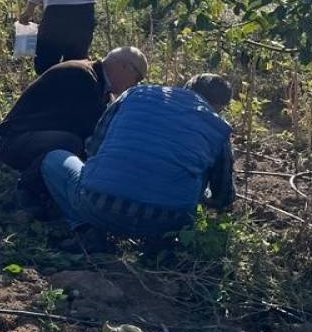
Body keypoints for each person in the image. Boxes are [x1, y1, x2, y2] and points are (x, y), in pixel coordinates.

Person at [39, 74, 235, 247]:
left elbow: (94, 147)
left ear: (185, 88)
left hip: (98, 205)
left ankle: (86, 230)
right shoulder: (218, 127)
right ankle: (159, 243)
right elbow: (223, 194)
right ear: (220, 106)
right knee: (198, 175)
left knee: (54, 159)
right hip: (169, 222)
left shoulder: (136, 94)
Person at [0, 46, 148, 215]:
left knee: (75, 147)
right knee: (72, 144)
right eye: (137, 78)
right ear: (124, 67)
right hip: (15, 141)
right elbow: (91, 132)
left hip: (33, 138)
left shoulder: (96, 80)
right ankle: (27, 190)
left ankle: (49, 191)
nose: (135, 85)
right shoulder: (82, 76)